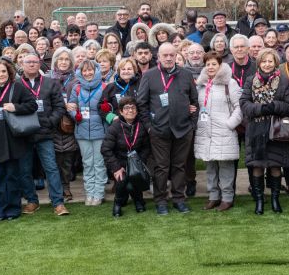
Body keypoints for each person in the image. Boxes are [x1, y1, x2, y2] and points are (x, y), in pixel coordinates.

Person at [135, 42, 199, 215]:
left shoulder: (186, 74)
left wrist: (192, 125)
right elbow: (141, 104)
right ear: (158, 57)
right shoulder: (149, 76)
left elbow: (194, 101)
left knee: (179, 166)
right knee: (161, 167)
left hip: (183, 130)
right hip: (159, 130)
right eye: (165, 55)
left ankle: (179, 199)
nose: (169, 58)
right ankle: (161, 200)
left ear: (176, 56)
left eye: (172, 55)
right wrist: (149, 127)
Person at [0, 60, 38, 221]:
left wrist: (15, 107)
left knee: (12, 176)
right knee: (0, 176)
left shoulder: (17, 88)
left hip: (14, 138)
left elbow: (33, 105)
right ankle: (1, 211)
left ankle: (13, 210)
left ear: (9, 73)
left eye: (3, 71)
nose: (1, 74)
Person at [240, 48, 289, 215]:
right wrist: (261, 109)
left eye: (270, 61)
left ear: (275, 63)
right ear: (259, 63)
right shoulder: (250, 80)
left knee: (275, 166)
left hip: (276, 130)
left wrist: (273, 106)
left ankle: (275, 199)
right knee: (257, 166)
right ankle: (259, 200)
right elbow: (244, 103)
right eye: (264, 61)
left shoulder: (284, 81)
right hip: (256, 130)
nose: (267, 64)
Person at [19, 52, 70, 216]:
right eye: (28, 62)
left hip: (45, 133)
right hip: (24, 134)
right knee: (25, 169)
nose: (32, 64)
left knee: (51, 168)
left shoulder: (50, 83)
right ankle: (32, 201)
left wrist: (49, 122)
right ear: (22, 65)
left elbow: (60, 106)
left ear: (39, 64)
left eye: (35, 62)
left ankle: (58, 203)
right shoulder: (16, 84)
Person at [193, 52, 242, 211]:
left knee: (226, 166)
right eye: (208, 64)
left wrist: (230, 124)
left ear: (220, 65)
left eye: (214, 64)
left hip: (224, 131)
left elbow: (239, 107)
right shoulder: (201, 84)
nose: (210, 67)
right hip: (205, 131)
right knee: (210, 166)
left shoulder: (230, 83)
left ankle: (227, 198)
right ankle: (213, 196)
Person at [67, 59, 109, 206]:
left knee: (99, 163)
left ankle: (99, 193)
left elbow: (111, 107)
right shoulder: (77, 88)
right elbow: (71, 106)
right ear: (80, 72)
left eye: (90, 70)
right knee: (87, 163)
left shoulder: (104, 86)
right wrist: (75, 115)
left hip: (100, 132)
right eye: (84, 70)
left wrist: (107, 108)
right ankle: (89, 193)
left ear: (96, 70)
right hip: (82, 131)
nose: (87, 73)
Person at [101, 96, 150, 216]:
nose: (130, 110)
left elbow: (146, 147)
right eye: (127, 108)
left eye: (133, 107)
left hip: (136, 161)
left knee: (136, 176)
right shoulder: (115, 127)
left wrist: (139, 162)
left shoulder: (141, 126)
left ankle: (138, 200)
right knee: (122, 179)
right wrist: (116, 167)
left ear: (137, 111)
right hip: (119, 162)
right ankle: (117, 204)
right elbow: (105, 149)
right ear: (121, 111)